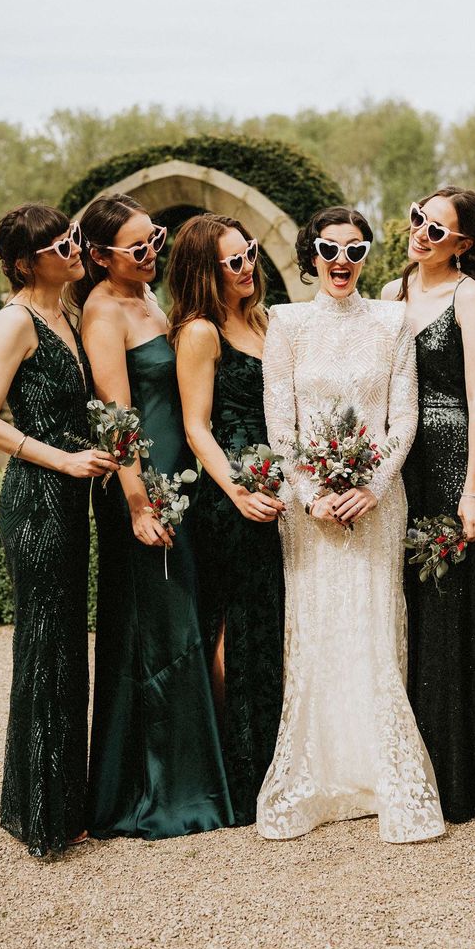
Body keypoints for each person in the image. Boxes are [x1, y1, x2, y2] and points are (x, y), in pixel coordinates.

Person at [256, 206, 445, 843]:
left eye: (356, 251)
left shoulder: (393, 322)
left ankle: (379, 775)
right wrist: (309, 492)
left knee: (370, 624)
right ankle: (317, 776)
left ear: (367, 256)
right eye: (331, 250)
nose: (342, 263)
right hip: (307, 511)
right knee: (316, 628)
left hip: (376, 503)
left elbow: (405, 422)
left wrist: (370, 486)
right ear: (311, 253)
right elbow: (279, 426)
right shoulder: (284, 324)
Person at [76, 193, 232, 840]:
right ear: (97, 255)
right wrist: (138, 503)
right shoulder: (103, 310)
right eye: (136, 246)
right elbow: (117, 420)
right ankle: (158, 794)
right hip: (144, 491)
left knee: (182, 624)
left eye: (155, 239)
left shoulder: (149, 298)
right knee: (159, 633)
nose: (151, 253)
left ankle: (186, 780)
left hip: (177, 482)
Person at [0, 203, 118, 857]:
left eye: (76, 238)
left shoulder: (69, 313)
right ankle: (39, 816)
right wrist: (61, 458)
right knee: (44, 646)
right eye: (64, 245)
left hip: (71, 498)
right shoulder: (14, 319)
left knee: (62, 646)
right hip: (36, 500)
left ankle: (58, 803)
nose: (77, 249)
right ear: (29, 261)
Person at [382, 187, 475, 822]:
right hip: (401, 464)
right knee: (406, 602)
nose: (421, 234)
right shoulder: (390, 291)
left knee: (451, 604)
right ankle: (409, 762)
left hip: (455, 455)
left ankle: (463, 772)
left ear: (463, 243)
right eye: (417, 221)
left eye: (437, 229)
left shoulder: (468, 294)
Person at [168, 214, 285, 826]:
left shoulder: (262, 318)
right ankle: (237, 775)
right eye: (232, 261)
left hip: (273, 484)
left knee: (267, 625)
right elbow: (196, 427)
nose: (247, 267)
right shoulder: (200, 332)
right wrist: (239, 491)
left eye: (250, 254)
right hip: (230, 494)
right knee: (235, 629)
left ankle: (271, 763)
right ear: (202, 273)